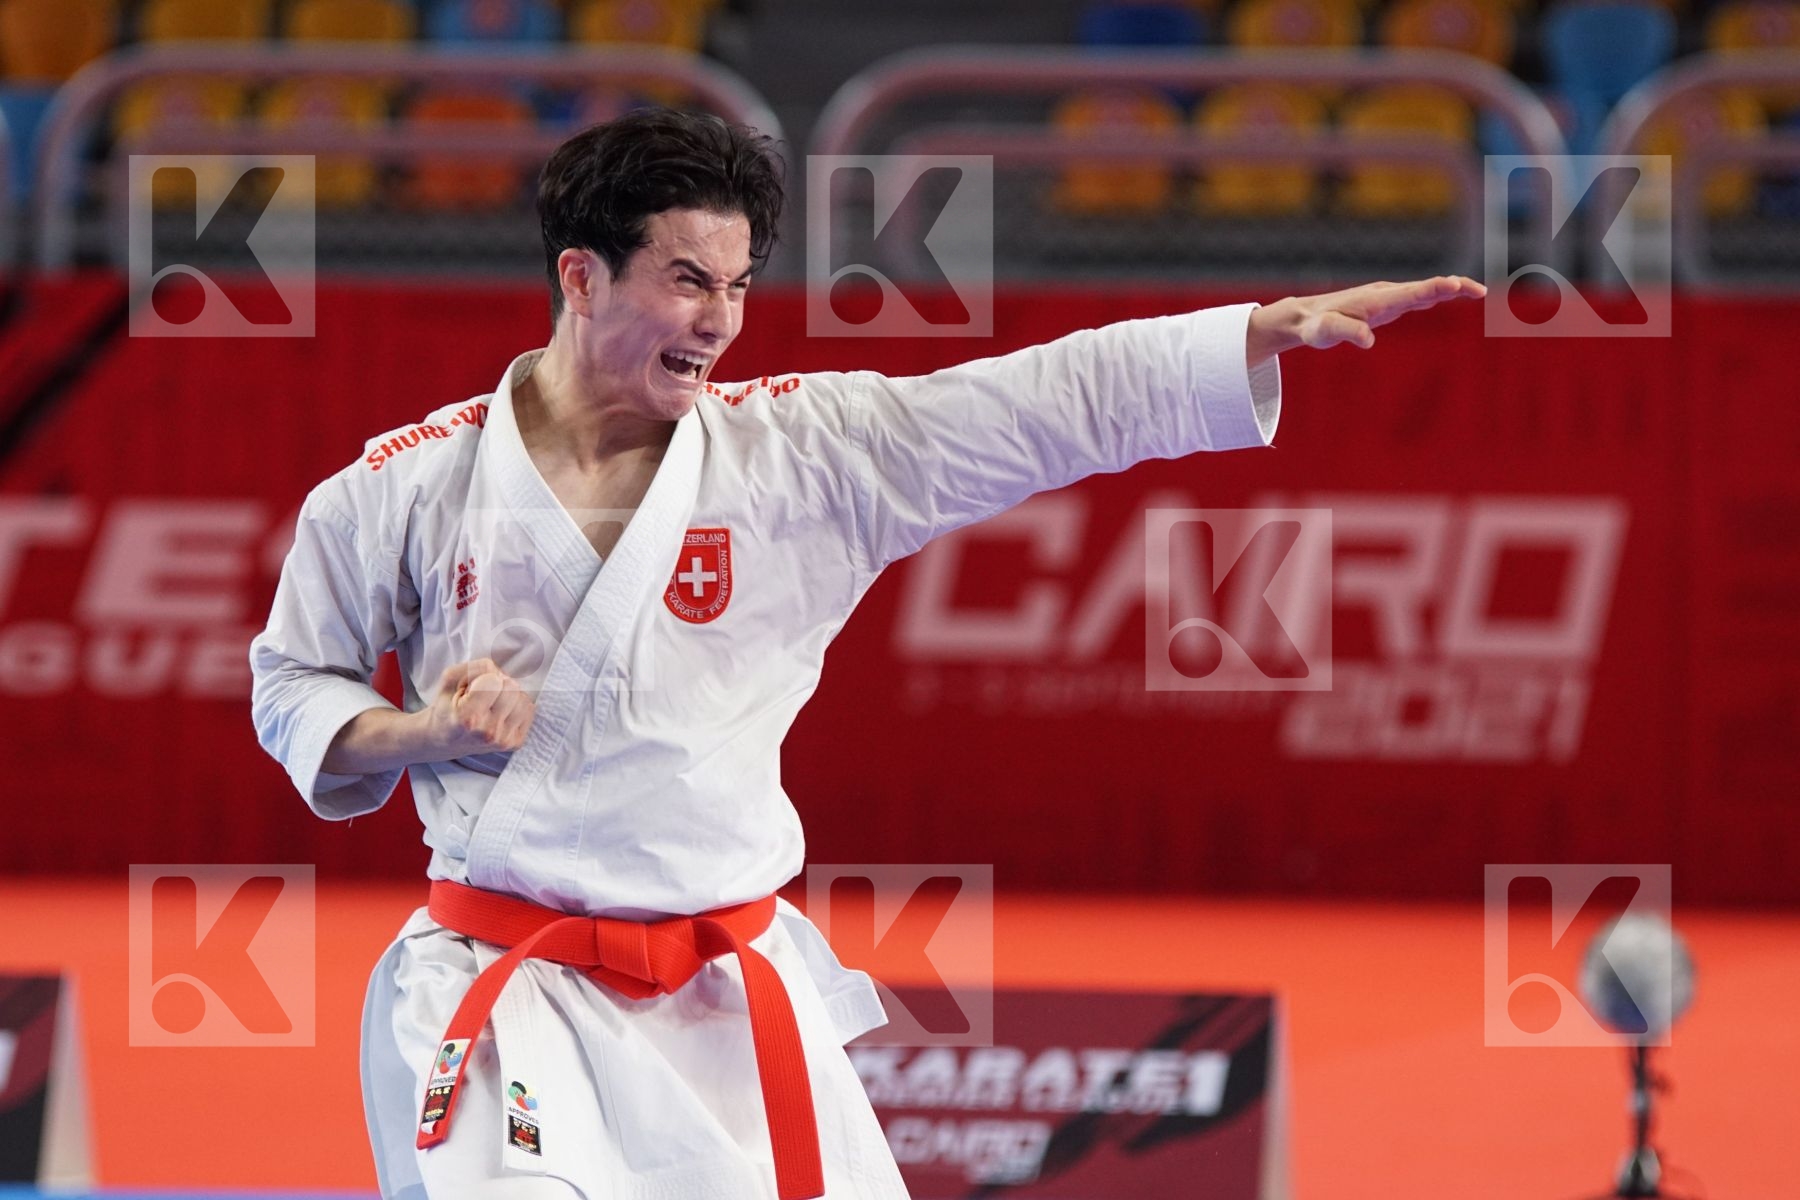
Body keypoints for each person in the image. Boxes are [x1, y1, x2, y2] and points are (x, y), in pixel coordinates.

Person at [250, 108, 1485, 1199]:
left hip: (724, 999)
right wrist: (422, 733)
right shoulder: (400, 486)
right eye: (687, 282)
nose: (720, 322)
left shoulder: (804, 458)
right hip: (505, 986)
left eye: (738, 286)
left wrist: (1251, 335)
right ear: (582, 275)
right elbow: (292, 684)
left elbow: (1033, 406)